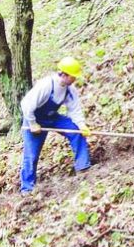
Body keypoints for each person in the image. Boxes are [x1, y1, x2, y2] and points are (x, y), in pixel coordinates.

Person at [20, 57, 91, 193]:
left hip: (52, 117)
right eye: (73, 76)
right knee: (31, 155)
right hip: (34, 119)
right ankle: (27, 189)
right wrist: (33, 123)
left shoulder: (70, 89)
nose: (75, 79)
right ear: (64, 74)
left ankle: (83, 166)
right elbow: (26, 105)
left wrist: (82, 125)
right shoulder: (46, 85)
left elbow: (74, 109)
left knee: (76, 132)